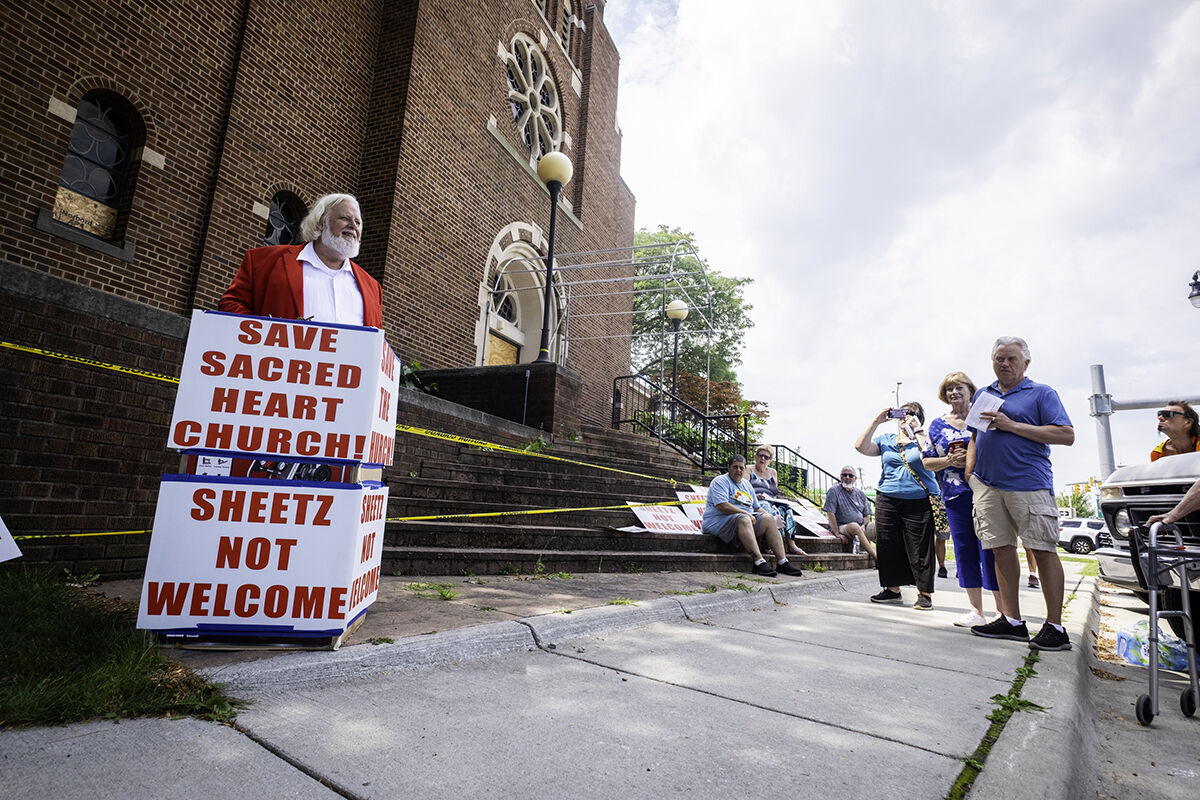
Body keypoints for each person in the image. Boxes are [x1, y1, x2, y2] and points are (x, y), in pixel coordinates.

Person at [966, 336, 1075, 651]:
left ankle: (1055, 627)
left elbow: (1065, 435)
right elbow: (975, 436)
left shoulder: (1041, 393)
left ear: (1026, 363)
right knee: (1000, 549)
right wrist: (970, 473)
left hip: (1029, 483)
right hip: (987, 485)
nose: (1004, 364)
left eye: (1011, 358)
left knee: (1041, 549)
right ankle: (1011, 620)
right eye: (999, 358)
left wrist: (1011, 425)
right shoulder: (983, 394)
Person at [219, 193, 383, 327]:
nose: (353, 226)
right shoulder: (265, 261)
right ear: (320, 223)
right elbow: (230, 305)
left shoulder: (372, 287)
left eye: (358, 222)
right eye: (345, 218)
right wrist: (265, 334)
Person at [921, 371, 1001, 627]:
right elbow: (926, 460)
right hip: (955, 495)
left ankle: (1003, 611)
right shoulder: (937, 424)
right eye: (949, 389)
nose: (954, 393)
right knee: (965, 550)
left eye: (959, 388)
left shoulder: (984, 418)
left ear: (970, 390)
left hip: (987, 492)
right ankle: (977, 611)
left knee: (991, 549)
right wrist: (947, 461)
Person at [855, 402, 940, 610]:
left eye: (912, 414)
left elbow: (931, 455)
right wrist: (877, 421)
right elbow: (861, 447)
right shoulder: (887, 440)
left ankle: (924, 593)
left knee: (920, 547)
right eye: (902, 413)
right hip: (888, 497)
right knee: (887, 544)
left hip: (919, 499)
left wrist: (917, 430)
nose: (906, 417)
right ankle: (892, 589)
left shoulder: (926, 439)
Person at [702, 454, 804, 577]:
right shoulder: (719, 481)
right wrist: (745, 513)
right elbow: (722, 506)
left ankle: (782, 562)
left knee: (767, 518)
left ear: (745, 469)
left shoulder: (746, 484)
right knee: (744, 519)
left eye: (741, 468)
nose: (738, 470)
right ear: (728, 468)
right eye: (735, 467)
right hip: (720, 522)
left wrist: (774, 519)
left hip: (745, 522)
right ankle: (758, 562)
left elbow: (757, 507)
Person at [747, 446, 806, 556]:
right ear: (756, 457)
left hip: (770, 500)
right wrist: (755, 496)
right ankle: (770, 543)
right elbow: (743, 489)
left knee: (786, 508)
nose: (763, 459)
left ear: (770, 461)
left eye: (766, 457)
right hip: (755, 501)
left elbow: (774, 491)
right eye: (760, 455)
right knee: (766, 506)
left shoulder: (773, 472)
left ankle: (791, 544)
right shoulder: (748, 469)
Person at [822, 466, 877, 560]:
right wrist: (837, 533)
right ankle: (876, 557)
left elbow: (866, 516)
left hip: (861, 527)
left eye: (850, 475)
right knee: (854, 526)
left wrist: (863, 525)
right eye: (844, 475)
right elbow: (830, 513)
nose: (847, 477)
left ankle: (891, 555)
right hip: (842, 527)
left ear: (855, 478)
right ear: (840, 477)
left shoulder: (861, 494)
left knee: (881, 527)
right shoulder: (834, 491)